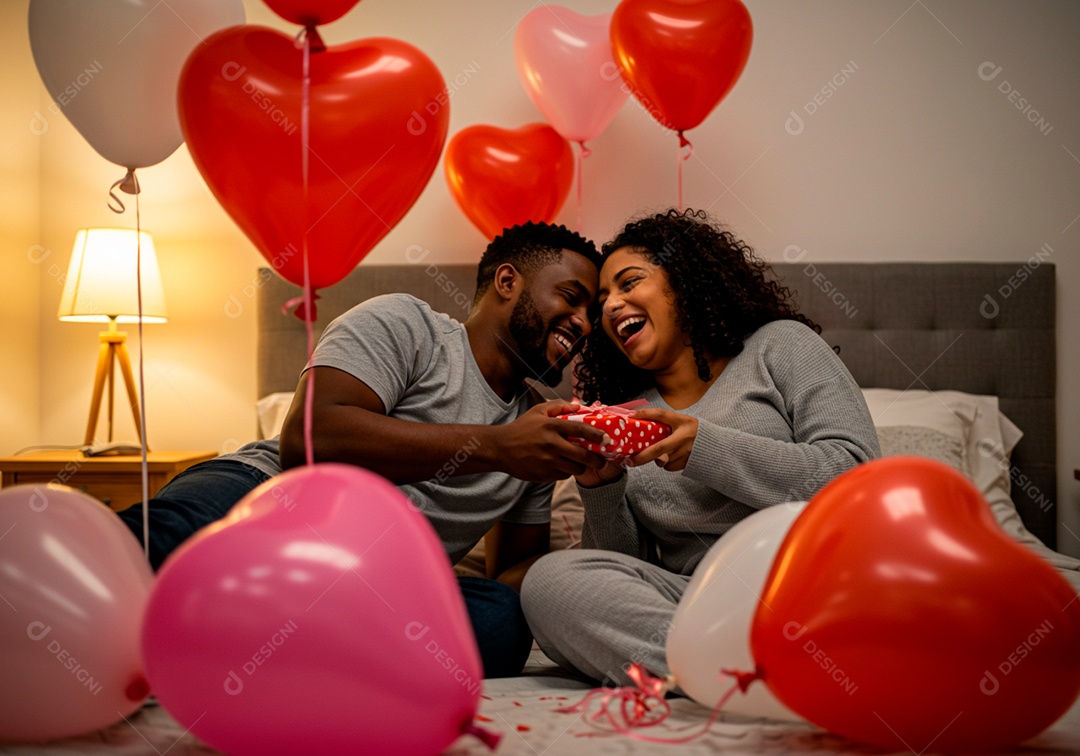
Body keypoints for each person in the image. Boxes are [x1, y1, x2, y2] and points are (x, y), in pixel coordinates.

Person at [118, 221, 610, 677]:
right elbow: (311, 438)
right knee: (157, 541)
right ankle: (267, 631)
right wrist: (499, 447)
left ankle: (242, 628)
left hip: (374, 583)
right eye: (571, 298)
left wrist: (599, 499)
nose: (584, 324)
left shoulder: (537, 430)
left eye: (592, 313)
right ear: (508, 281)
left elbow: (507, 578)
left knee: (501, 624)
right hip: (267, 498)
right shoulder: (410, 325)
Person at [520, 208, 881, 687]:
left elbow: (858, 480)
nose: (610, 306)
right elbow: (630, 568)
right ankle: (754, 672)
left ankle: (742, 668)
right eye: (603, 300)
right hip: (696, 603)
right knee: (551, 582)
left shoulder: (779, 347)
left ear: (685, 282)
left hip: (806, 588)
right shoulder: (631, 417)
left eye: (630, 283)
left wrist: (705, 448)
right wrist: (603, 489)